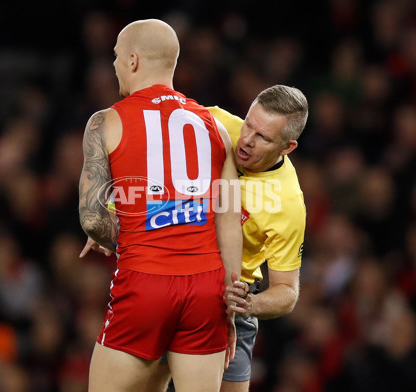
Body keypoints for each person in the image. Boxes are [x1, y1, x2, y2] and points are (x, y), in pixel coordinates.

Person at [82, 85, 309, 392]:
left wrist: (248, 304)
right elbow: (150, 160)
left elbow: (287, 291)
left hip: (225, 302)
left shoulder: (288, 203)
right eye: (248, 125)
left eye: (263, 138)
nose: (246, 140)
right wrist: (110, 212)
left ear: (287, 147)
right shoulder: (210, 122)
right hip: (168, 277)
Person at [77, 19, 242, 392]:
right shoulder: (214, 127)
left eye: (117, 57)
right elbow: (229, 220)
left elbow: (92, 219)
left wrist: (114, 232)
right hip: (207, 289)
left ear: (133, 61)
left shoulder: (107, 121)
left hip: (145, 282)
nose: (114, 65)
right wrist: (229, 305)